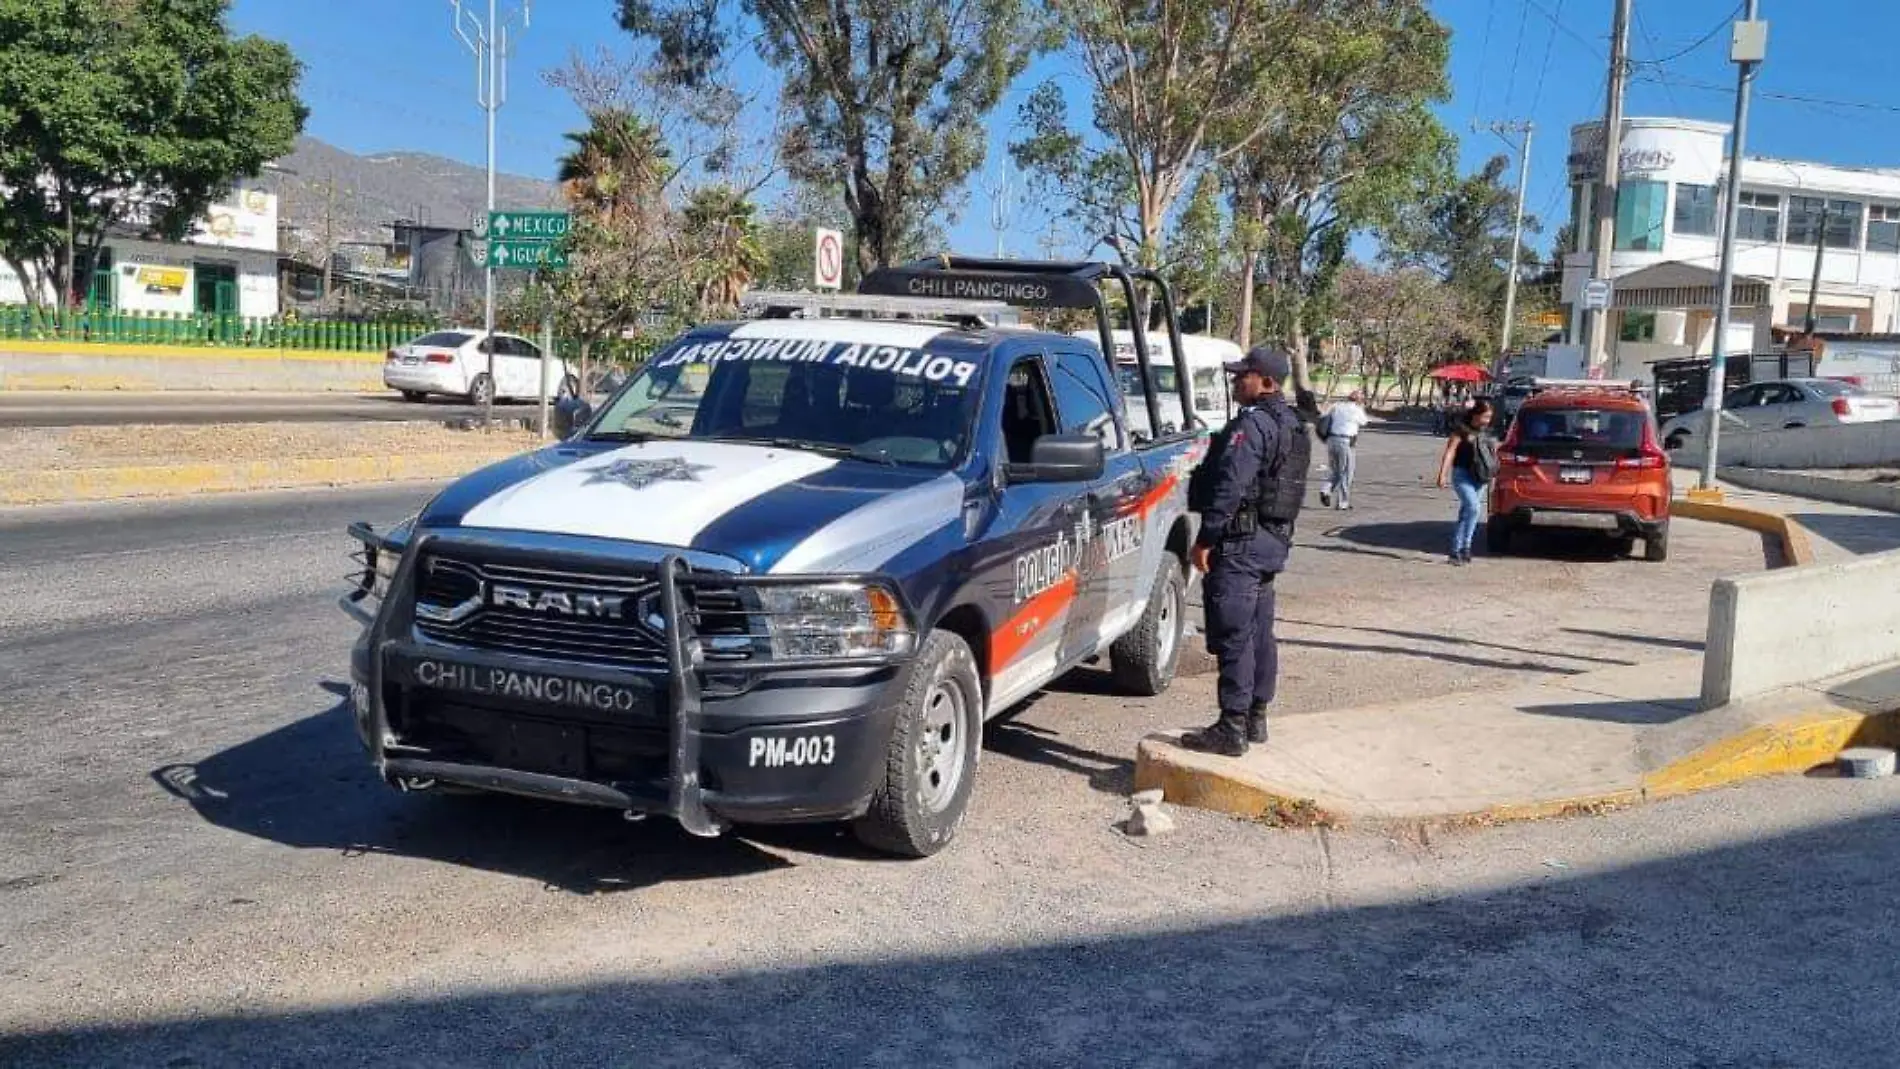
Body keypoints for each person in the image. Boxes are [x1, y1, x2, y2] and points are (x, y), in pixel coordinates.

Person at [1180, 345, 1311, 757]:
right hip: (1271, 541)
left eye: (1244, 375)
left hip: (1240, 542)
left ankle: (1231, 726)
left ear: (1267, 382)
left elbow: (1230, 486)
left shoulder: (1253, 425)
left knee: (1234, 633)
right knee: (1258, 631)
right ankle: (1256, 717)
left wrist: (1205, 539)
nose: (1237, 381)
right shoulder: (1293, 423)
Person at [1435, 397, 1497, 566]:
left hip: (1481, 476)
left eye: (1489, 417)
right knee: (1474, 508)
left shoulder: (1487, 432)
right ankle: (1462, 547)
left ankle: (1460, 549)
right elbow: (1450, 451)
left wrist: (1494, 473)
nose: (1487, 420)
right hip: (1462, 474)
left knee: (1467, 513)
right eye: (1484, 416)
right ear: (1475, 415)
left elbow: (1493, 454)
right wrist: (1442, 474)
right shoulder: (1461, 430)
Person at [1318, 388, 1370, 510]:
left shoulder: (1338, 406)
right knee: (1346, 472)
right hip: (1346, 441)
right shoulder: (1356, 410)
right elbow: (1364, 422)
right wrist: (1361, 408)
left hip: (1331, 440)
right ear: (1359, 400)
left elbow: (1325, 416)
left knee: (1335, 470)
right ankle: (1343, 502)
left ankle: (1326, 490)